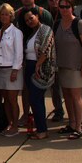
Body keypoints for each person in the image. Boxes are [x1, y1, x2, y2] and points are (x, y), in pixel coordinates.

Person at [15, 0, 54, 125]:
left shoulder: (45, 17)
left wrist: (40, 63)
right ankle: (28, 117)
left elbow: (49, 43)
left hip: (41, 63)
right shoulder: (18, 14)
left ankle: (44, 122)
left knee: (38, 96)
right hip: (27, 60)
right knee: (29, 92)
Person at [54, 0, 82, 140]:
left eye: (66, 7)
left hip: (76, 67)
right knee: (67, 97)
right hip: (63, 66)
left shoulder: (79, 23)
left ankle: (78, 128)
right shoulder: (57, 24)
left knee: (76, 97)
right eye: (61, 7)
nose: (64, 10)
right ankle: (71, 123)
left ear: (72, 8)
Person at [23, 8, 57, 140]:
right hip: (30, 66)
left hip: (41, 67)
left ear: (37, 16)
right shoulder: (32, 33)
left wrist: (38, 64)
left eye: (31, 18)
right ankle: (40, 127)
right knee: (35, 100)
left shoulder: (45, 29)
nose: (29, 21)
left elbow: (46, 48)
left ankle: (42, 130)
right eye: (26, 20)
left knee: (36, 99)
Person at [0, 3, 23, 137]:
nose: (4, 16)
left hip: (12, 70)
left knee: (12, 99)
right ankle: (10, 123)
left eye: (7, 14)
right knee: (5, 99)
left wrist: (15, 70)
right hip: (1, 69)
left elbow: (18, 53)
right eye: (2, 14)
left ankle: (16, 126)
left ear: (11, 16)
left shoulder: (16, 32)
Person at [45, 0, 64, 122]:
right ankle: (59, 110)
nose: (54, 1)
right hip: (50, 55)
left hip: (64, 53)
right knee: (55, 86)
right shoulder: (45, 15)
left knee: (70, 88)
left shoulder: (66, 13)